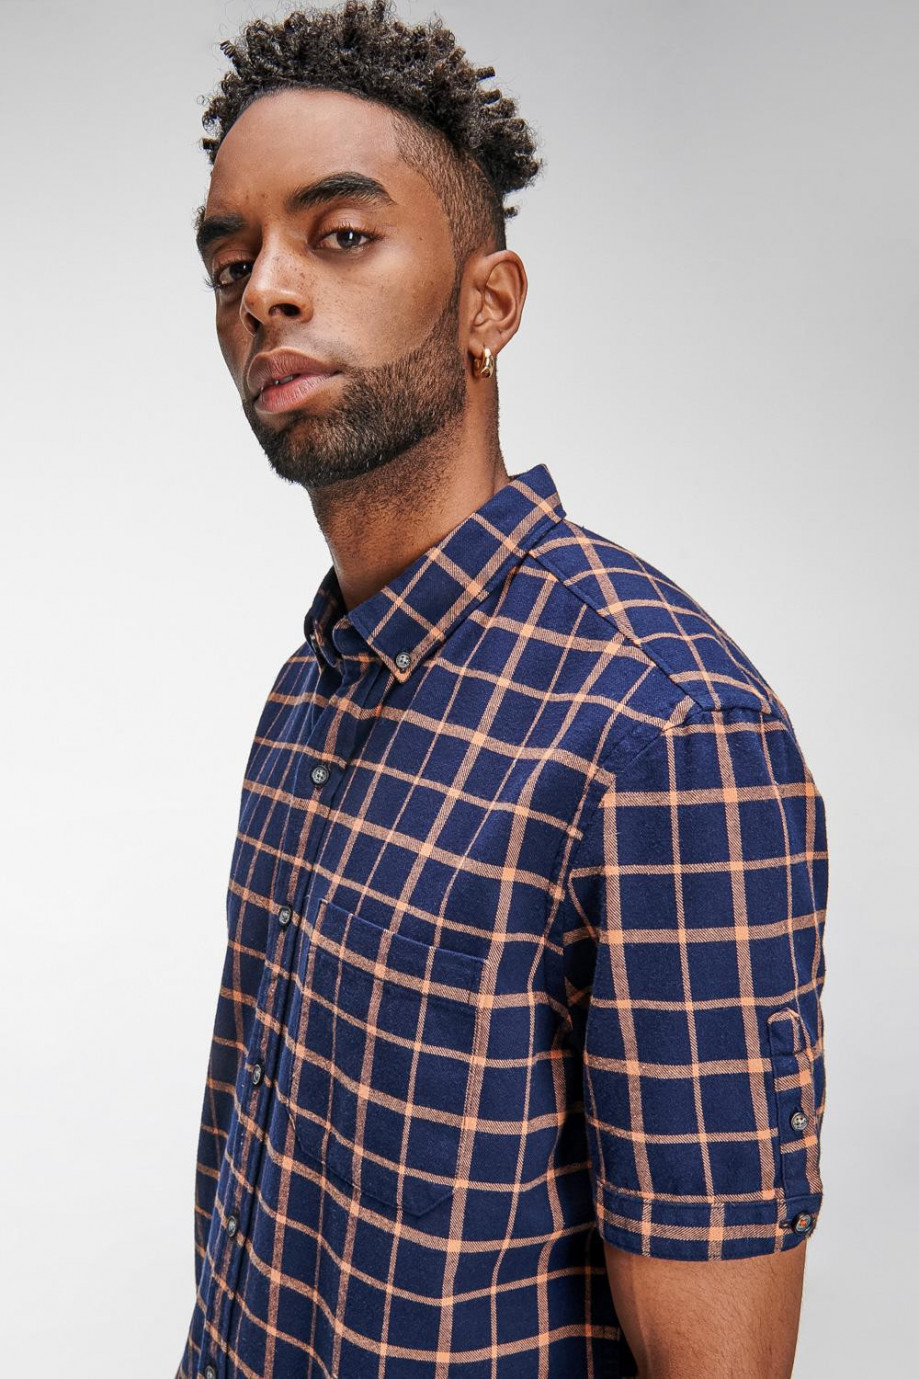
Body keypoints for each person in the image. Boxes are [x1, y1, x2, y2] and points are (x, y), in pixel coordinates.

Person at [175, 3, 828, 1376]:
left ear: (490, 305)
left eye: (338, 235)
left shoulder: (664, 732)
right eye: (232, 260)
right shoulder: (315, 687)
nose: (265, 292)